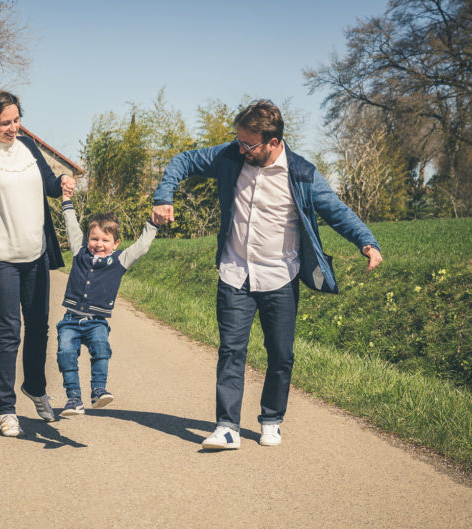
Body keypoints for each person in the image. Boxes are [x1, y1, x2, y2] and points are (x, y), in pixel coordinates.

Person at [151, 99, 383, 450]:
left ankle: (272, 419)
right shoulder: (231, 157)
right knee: (231, 350)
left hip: (281, 276)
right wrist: (164, 195)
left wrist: (366, 241)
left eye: (250, 144)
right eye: (239, 141)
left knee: (280, 354)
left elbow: (336, 210)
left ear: (274, 141)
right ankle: (227, 426)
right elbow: (183, 160)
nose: (241, 149)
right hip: (235, 273)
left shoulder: (301, 173)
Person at [0, 90, 75, 437]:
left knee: (39, 327)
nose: (13, 128)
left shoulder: (30, 149)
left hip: (34, 255)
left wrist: (61, 181)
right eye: (5, 122)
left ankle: (35, 388)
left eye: (17, 120)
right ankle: (5, 408)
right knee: (9, 331)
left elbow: (50, 185)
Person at [55, 191, 157, 416]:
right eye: (94, 239)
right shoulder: (79, 253)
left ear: (115, 242)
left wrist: (152, 224)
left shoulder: (119, 260)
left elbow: (142, 247)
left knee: (101, 349)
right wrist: (66, 202)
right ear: (87, 239)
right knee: (65, 354)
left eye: (105, 240)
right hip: (70, 319)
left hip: (96, 321)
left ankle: (98, 390)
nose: (98, 244)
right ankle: (73, 399)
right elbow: (72, 227)